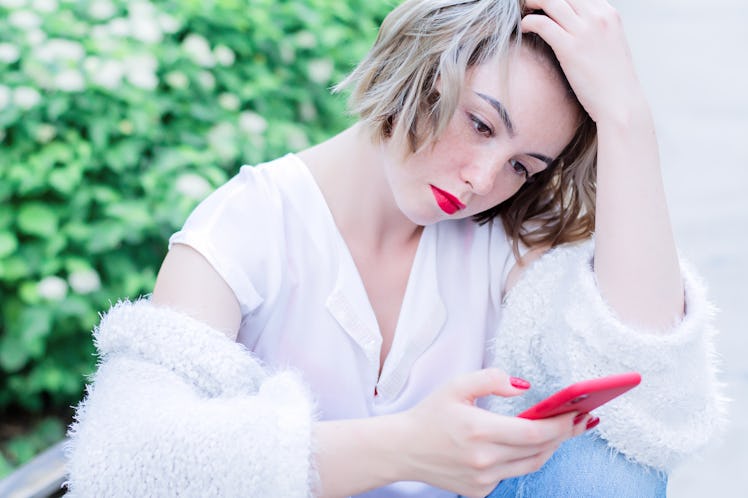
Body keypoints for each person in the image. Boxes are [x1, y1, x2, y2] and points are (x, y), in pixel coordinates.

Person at [65, 0, 725, 497]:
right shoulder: (247, 228)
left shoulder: (501, 241)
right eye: (478, 123)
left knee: (611, 463)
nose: (482, 180)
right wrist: (404, 448)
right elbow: (124, 464)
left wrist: (627, 120)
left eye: (523, 165)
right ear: (421, 62)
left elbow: (659, 408)